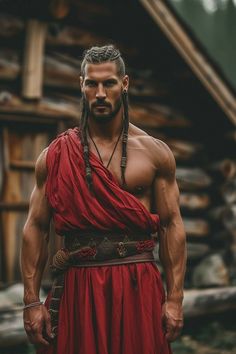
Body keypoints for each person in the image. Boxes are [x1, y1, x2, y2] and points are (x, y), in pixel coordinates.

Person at [21, 44, 186, 354]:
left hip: (138, 284)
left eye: (108, 83)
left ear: (124, 84)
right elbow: (35, 227)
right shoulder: (56, 156)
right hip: (79, 287)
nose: (100, 93)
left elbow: (172, 225)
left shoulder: (154, 152)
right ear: (81, 85)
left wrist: (175, 298)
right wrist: (31, 301)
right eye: (91, 83)